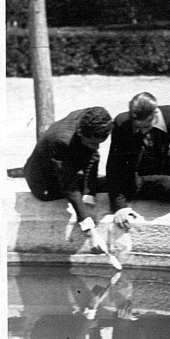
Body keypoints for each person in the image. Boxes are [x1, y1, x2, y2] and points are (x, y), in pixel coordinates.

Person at [22, 107, 113, 254]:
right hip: (43, 182)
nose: (96, 147)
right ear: (80, 133)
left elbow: (93, 157)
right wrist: (91, 231)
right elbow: (69, 185)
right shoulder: (61, 141)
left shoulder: (90, 118)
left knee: (106, 180)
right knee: (95, 185)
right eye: (92, 142)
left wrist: (89, 199)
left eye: (99, 143)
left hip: (63, 165)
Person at [106, 92, 170, 229]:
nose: (142, 131)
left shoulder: (169, 114)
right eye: (137, 127)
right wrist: (119, 207)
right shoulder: (121, 122)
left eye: (146, 126)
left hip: (163, 163)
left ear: (155, 113)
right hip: (136, 171)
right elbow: (114, 165)